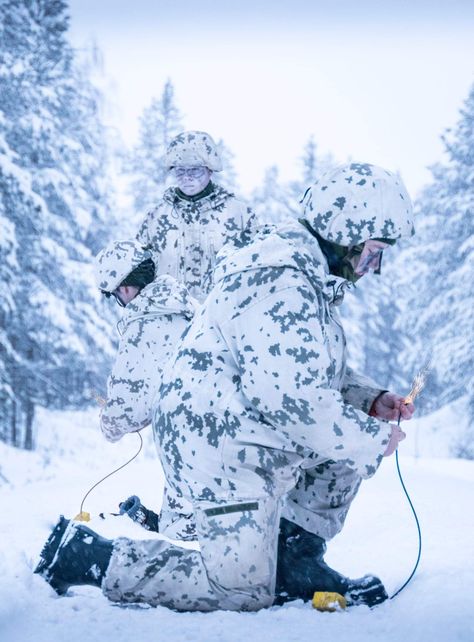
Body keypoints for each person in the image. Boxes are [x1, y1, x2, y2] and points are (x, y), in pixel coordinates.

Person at [35, 163, 415, 612]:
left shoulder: (305, 276)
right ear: (344, 232)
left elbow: (302, 370)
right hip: (219, 447)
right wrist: (372, 440)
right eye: (372, 252)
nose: (373, 268)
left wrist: (368, 400)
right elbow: (294, 404)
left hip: (249, 432)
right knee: (239, 592)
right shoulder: (282, 280)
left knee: (347, 439)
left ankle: (292, 559)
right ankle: (90, 556)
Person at [94, 239, 198, 539]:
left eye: (116, 295)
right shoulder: (189, 306)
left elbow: (126, 410)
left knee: (181, 532)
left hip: (195, 450)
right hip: (231, 442)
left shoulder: (145, 323)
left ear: (124, 288)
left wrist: (109, 421)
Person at [136, 130, 258, 302]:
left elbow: (255, 273)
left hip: (221, 319)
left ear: (210, 170)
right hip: (170, 320)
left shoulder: (239, 216)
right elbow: (140, 275)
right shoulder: (155, 218)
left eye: (195, 171)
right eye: (180, 171)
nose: (187, 177)